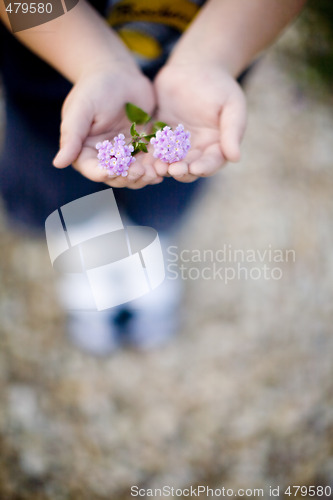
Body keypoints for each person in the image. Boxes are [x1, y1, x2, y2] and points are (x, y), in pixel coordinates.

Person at [0, 0, 306, 353]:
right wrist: (95, 64)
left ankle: (148, 244)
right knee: (55, 172)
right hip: (52, 56)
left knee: (172, 177)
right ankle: (89, 249)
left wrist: (210, 59)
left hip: (207, 55)